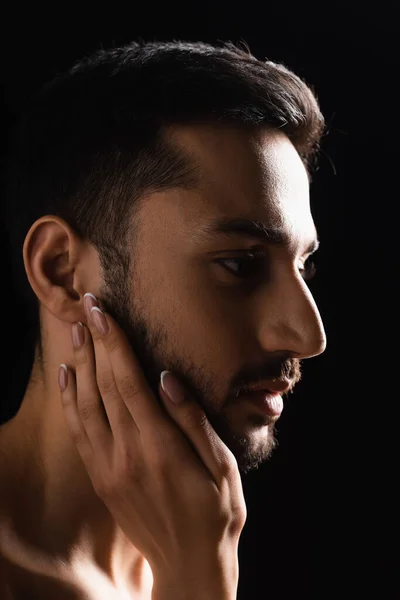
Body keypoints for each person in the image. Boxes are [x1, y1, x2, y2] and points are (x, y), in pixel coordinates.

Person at [0, 39, 327, 599]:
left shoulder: (215, 551)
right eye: (240, 265)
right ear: (61, 272)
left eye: (303, 265)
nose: (308, 335)